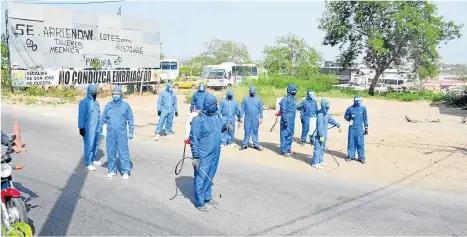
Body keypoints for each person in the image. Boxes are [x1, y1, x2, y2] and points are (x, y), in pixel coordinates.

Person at [190, 93, 222, 211]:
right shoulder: (199, 120)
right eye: (214, 104)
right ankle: (199, 202)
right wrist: (196, 156)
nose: (216, 106)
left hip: (216, 153)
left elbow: (217, 129)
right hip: (204, 154)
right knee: (201, 177)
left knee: (210, 175)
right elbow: (194, 139)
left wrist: (225, 127)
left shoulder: (216, 117)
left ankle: (207, 196)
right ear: (208, 104)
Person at [99, 86, 134, 180]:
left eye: (118, 94)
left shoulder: (125, 106)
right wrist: (100, 130)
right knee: (111, 152)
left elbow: (130, 119)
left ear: (121, 94)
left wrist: (131, 131)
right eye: (114, 94)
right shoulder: (108, 105)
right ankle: (112, 170)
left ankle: (125, 171)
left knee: (123, 152)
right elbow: (103, 118)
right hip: (110, 133)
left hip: (121, 133)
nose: (115, 95)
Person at [311, 98, 343, 169]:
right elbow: (319, 126)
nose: (329, 106)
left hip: (325, 134)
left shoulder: (326, 113)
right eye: (328, 105)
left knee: (322, 148)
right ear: (325, 105)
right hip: (320, 135)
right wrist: (321, 135)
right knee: (318, 148)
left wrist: (338, 125)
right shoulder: (320, 114)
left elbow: (331, 120)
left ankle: (320, 160)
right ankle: (315, 162)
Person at [78, 84, 101, 171]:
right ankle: (88, 163)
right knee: (89, 145)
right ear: (88, 91)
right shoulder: (84, 102)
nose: (94, 93)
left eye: (95, 91)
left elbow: (98, 115)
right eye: (92, 91)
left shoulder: (97, 103)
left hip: (96, 127)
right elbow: (81, 115)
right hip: (88, 128)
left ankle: (93, 159)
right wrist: (81, 127)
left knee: (95, 143)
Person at [344, 95, 368, 164]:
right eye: (358, 101)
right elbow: (345, 116)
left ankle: (361, 158)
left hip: (360, 129)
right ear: (355, 101)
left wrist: (366, 127)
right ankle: (351, 156)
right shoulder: (350, 108)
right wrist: (349, 117)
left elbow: (365, 118)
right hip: (352, 128)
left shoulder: (363, 108)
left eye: (360, 100)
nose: (359, 102)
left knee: (360, 143)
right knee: (351, 143)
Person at [239, 85, 264, 151]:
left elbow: (261, 109)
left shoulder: (258, 100)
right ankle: (245, 145)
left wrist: (261, 117)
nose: (252, 93)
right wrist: (241, 116)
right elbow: (242, 108)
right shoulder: (245, 99)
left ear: (255, 92)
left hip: (255, 118)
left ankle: (256, 144)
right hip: (247, 117)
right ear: (249, 91)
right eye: (251, 91)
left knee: (255, 131)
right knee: (247, 131)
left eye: (253, 92)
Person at [279, 84, 297, 157]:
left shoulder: (294, 99)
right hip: (286, 120)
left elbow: (295, 108)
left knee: (290, 134)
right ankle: (283, 151)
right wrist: (285, 120)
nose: (294, 92)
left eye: (295, 90)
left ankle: (288, 148)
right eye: (293, 90)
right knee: (284, 134)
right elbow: (284, 111)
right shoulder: (285, 100)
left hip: (292, 120)